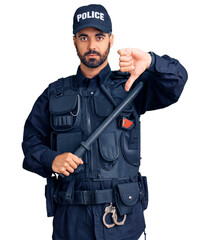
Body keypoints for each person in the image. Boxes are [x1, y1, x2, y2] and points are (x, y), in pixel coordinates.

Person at [22, 4, 188, 240]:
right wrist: (51, 160)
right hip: (71, 224)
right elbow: (30, 144)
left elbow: (177, 81)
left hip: (122, 221)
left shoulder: (131, 86)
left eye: (99, 37)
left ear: (111, 39)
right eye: (84, 37)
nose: (92, 46)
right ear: (74, 41)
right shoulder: (54, 93)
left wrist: (151, 61)